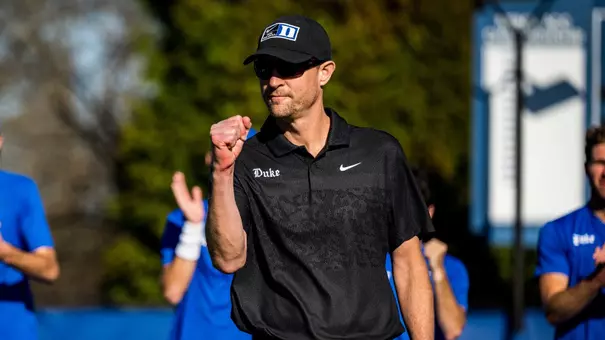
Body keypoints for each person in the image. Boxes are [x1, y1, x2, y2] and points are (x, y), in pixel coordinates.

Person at [205, 15, 435, 340]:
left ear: (324, 72)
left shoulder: (379, 152)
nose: (272, 81)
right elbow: (228, 259)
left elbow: (410, 263)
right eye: (264, 69)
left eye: (287, 67)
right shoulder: (244, 159)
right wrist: (221, 171)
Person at [160, 129, 257, 340]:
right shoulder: (182, 218)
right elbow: (173, 291)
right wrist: (193, 228)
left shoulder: (272, 218)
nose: (233, 160)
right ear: (209, 157)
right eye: (227, 150)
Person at [535, 125, 605, 340]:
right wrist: (599, 278)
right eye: (600, 163)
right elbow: (553, 311)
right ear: (587, 168)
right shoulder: (557, 231)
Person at [387, 168, 469, 340]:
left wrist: (437, 270)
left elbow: (453, 328)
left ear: (429, 212)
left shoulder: (451, 268)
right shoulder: (372, 259)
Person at [0, 127, 60, 340]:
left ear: (0, 142)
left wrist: (5, 252)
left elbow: (49, 269)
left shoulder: (21, 189)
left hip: (11, 330)